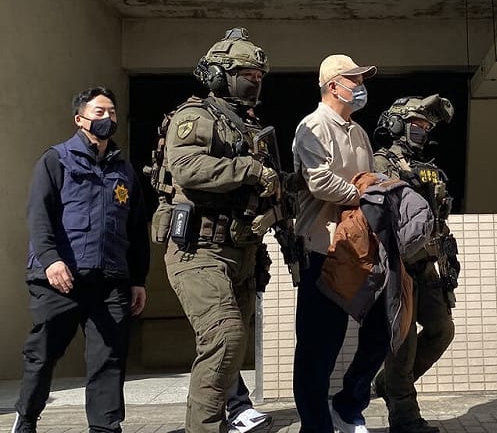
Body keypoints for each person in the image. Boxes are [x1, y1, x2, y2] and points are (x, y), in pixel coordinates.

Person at [162, 27, 279, 433]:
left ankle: (227, 417)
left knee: (230, 345)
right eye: (247, 74)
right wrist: (250, 170)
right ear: (219, 75)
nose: (254, 82)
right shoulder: (195, 116)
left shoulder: (249, 127)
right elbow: (186, 167)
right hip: (199, 250)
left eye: (259, 76)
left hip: (242, 252)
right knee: (225, 337)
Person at [13, 87, 150, 433]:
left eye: (112, 112)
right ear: (80, 119)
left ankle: (105, 428)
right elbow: (39, 216)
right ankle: (26, 420)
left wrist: (138, 279)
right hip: (60, 279)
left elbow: (136, 229)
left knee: (109, 360)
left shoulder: (124, 170)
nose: (107, 118)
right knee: (42, 355)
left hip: (110, 282)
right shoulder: (56, 159)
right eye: (99, 112)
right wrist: (50, 260)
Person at [292, 54, 389, 433]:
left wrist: (374, 191)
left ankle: (348, 406)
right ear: (334, 86)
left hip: (362, 248)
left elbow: (371, 177)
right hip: (322, 249)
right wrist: (364, 194)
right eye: (355, 80)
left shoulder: (359, 132)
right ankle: (316, 426)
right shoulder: (312, 126)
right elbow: (319, 182)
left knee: (382, 331)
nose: (361, 87)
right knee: (318, 347)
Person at [371, 95, 458, 433]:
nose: (423, 130)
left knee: (442, 330)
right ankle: (405, 417)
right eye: (416, 124)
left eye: (426, 126)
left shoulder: (428, 167)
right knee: (403, 344)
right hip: (399, 266)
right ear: (396, 125)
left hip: (428, 264)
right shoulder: (381, 163)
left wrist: (447, 256)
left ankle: (388, 384)